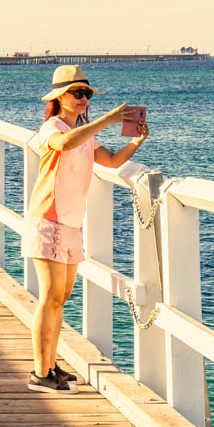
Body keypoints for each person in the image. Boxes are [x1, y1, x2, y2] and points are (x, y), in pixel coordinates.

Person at [24, 64, 149, 394]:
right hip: (48, 220)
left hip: (71, 223)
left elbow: (108, 160)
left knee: (61, 298)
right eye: (76, 93)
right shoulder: (51, 126)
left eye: (87, 94)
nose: (83, 98)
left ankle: (50, 364)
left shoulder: (85, 130)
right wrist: (107, 120)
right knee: (49, 296)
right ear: (59, 97)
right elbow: (62, 144)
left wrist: (135, 141)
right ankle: (40, 373)